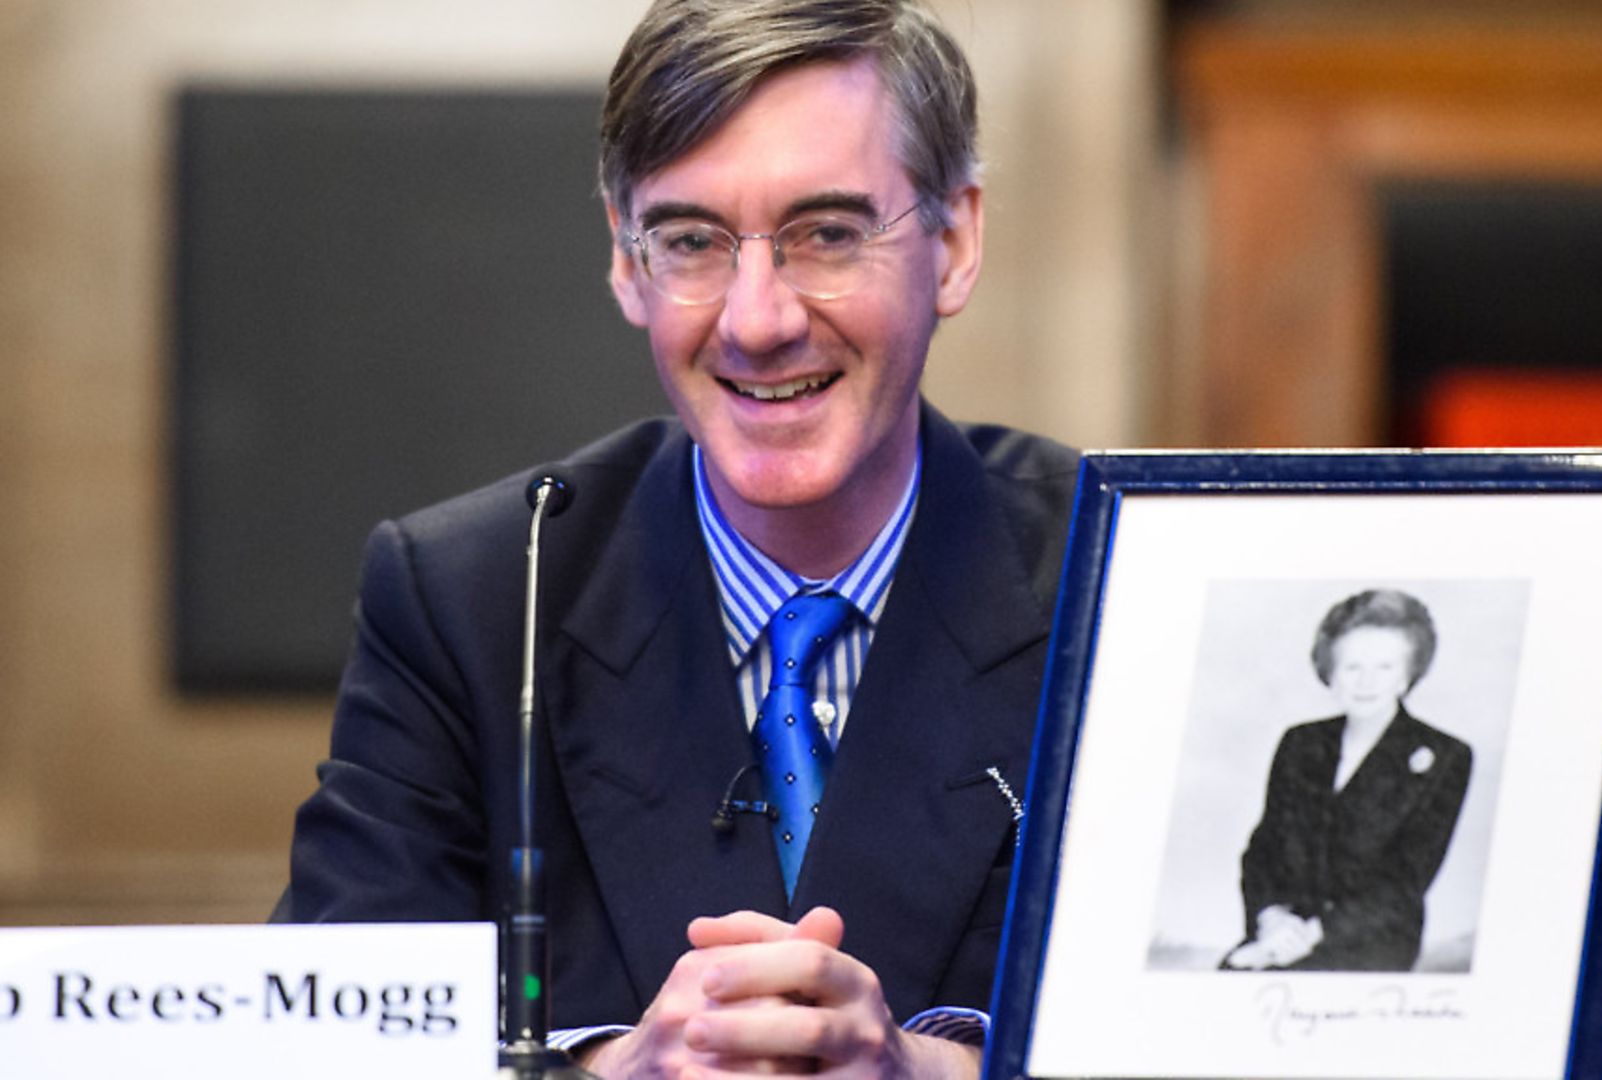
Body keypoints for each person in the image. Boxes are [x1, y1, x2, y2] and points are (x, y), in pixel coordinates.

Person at [274, 2, 1079, 1076]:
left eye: (828, 233)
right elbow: (315, 1046)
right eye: (693, 241)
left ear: (956, 241)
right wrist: (605, 1072)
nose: (756, 320)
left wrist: (944, 1070)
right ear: (624, 260)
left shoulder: (1118, 586)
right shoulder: (470, 597)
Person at [1223, 589, 1472, 973]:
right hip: (1282, 930)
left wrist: (1310, 935)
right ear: (1331, 673)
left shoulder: (1445, 756)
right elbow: (1263, 848)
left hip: (1369, 942)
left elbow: (1404, 884)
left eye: (1385, 667)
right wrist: (1270, 918)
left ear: (1407, 675)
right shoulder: (1300, 743)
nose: (1366, 682)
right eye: (1352, 667)